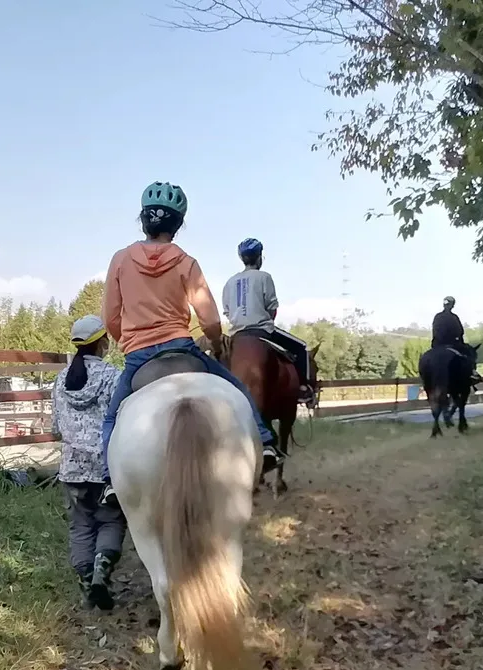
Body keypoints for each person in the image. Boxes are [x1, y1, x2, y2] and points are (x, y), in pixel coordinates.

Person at [100, 181, 282, 500]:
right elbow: (210, 319)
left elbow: (111, 318)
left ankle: (109, 479)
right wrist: (214, 339)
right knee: (238, 388)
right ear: (178, 225)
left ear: (143, 220)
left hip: (139, 358)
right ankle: (266, 444)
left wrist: (127, 341)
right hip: (183, 348)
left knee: (112, 418)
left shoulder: (120, 260)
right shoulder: (186, 262)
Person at [52, 315, 127, 611]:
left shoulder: (60, 380)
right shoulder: (114, 376)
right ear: (103, 343)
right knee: (111, 520)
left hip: (71, 469)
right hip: (106, 469)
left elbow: (56, 427)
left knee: (80, 527)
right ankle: (101, 574)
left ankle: (87, 586)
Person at [222, 238, 314, 404]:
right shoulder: (264, 277)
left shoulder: (230, 282)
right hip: (261, 331)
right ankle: (303, 388)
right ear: (259, 257)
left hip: (237, 334)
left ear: (242, 259)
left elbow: (227, 311)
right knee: (301, 348)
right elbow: (272, 307)